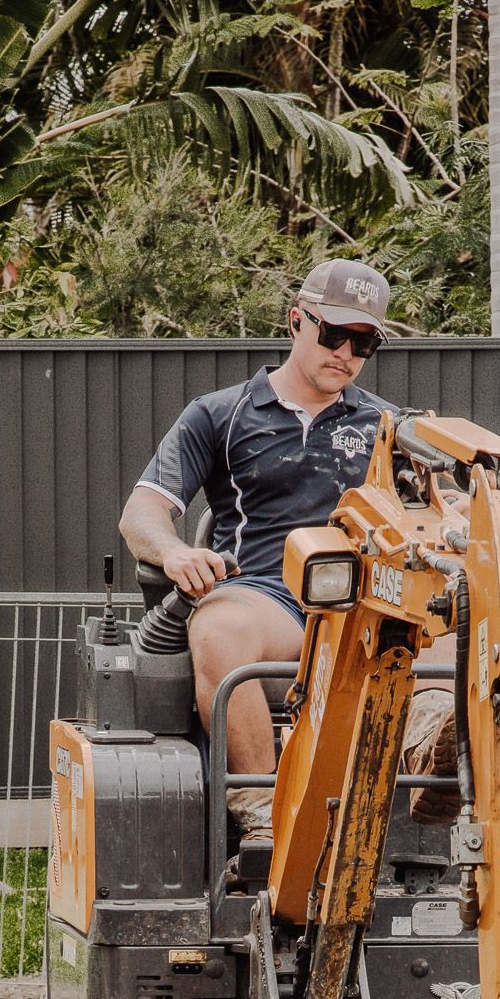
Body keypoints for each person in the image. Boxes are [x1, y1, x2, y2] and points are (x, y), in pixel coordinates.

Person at [118, 258, 397, 851]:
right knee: (218, 629)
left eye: (364, 342)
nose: (346, 353)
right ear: (297, 320)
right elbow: (142, 511)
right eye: (333, 334)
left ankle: (433, 773)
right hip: (267, 597)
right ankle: (261, 809)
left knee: (453, 627)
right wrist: (172, 553)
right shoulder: (219, 414)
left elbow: (446, 513)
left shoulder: (391, 428)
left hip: (368, 605)